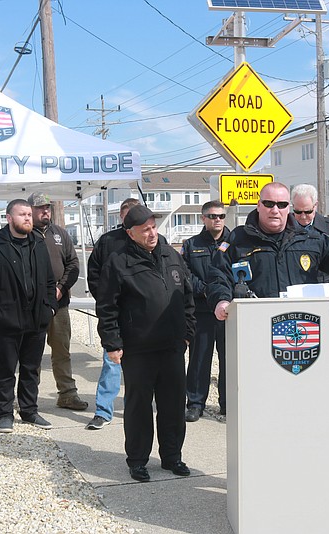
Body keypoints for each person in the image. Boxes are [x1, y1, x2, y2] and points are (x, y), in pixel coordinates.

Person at [96, 204, 196, 482]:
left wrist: (187, 333)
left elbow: (187, 297)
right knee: (139, 407)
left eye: (153, 227)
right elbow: (107, 307)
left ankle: (172, 457)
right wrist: (112, 344)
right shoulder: (118, 262)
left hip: (173, 347)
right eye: (145, 230)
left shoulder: (171, 255)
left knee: (174, 405)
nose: (152, 233)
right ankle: (138, 460)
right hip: (138, 349)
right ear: (131, 233)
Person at [208, 181, 329, 321]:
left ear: (288, 208)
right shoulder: (237, 239)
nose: (275, 210)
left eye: (281, 205)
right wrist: (222, 300)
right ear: (259, 205)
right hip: (254, 322)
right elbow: (218, 275)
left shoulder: (310, 239)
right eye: (269, 204)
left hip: (302, 324)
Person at [0, 199, 58, 433]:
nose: (28, 218)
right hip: (6, 321)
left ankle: (29, 411)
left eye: (29, 214)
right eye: (22, 214)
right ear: (9, 218)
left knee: (32, 369)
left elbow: (50, 282)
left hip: (37, 320)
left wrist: (50, 307)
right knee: (7, 369)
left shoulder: (38, 244)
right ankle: (5, 414)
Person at [28, 192, 88, 411]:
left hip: (59, 305)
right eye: (40, 208)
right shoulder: (24, 235)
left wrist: (61, 288)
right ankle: (28, 398)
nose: (45, 211)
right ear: (31, 211)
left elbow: (73, 264)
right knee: (30, 353)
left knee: (62, 351)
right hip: (32, 307)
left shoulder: (60, 234)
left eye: (48, 208)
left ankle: (67, 395)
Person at [84, 197, 140, 430]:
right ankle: (103, 411)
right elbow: (94, 274)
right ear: (121, 217)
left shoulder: (154, 240)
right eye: (128, 216)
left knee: (140, 369)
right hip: (116, 316)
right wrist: (106, 300)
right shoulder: (107, 242)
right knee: (112, 363)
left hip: (144, 318)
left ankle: (136, 411)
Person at [181, 200, 230, 422]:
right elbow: (186, 275)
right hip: (202, 311)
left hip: (229, 312)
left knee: (230, 359)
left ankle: (228, 403)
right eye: (212, 216)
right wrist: (208, 290)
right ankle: (195, 403)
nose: (217, 220)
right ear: (203, 218)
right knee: (200, 359)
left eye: (220, 216)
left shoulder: (235, 241)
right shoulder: (191, 245)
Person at [291, 183, 329, 296]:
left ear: (315, 206)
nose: (303, 216)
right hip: (292, 294)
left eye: (308, 211)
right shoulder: (283, 227)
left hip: (323, 294)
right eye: (298, 212)